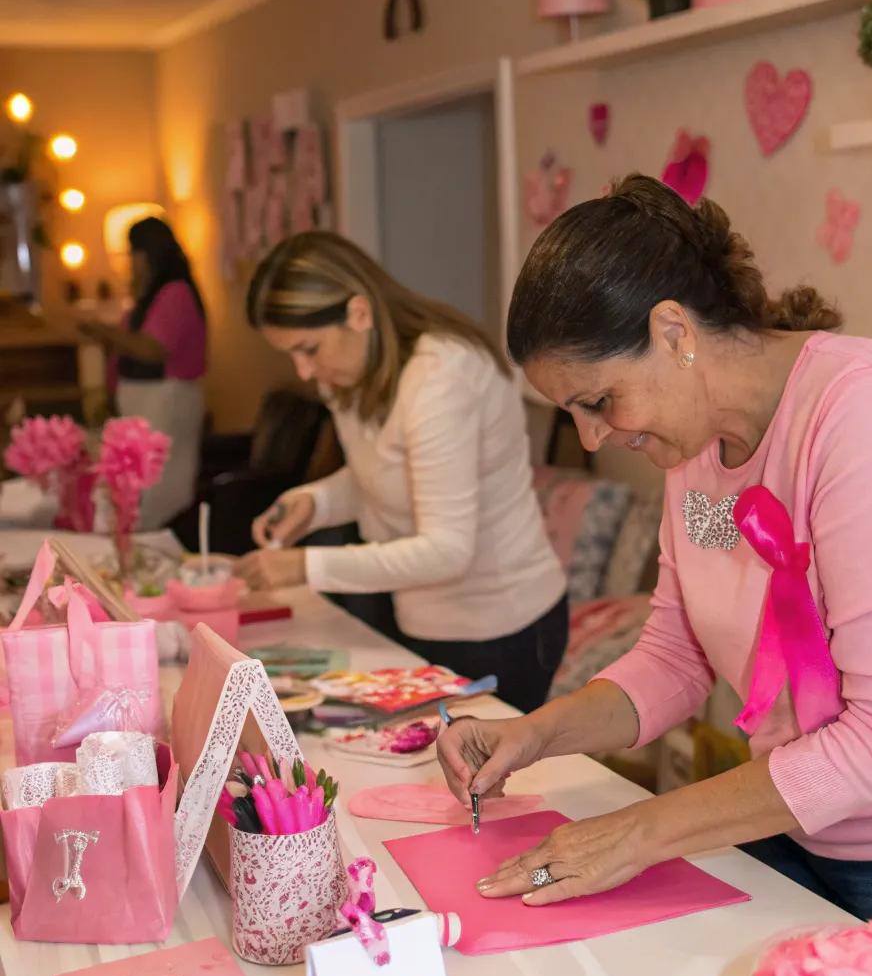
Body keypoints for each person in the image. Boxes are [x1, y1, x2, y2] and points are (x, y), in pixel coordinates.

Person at [437, 174, 872, 976]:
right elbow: (676, 657)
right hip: (803, 824)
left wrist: (642, 830)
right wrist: (536, 733)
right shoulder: (697, 447)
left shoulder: (865, 413)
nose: (592, 437)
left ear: (673, 330)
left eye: (598, 400)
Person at [237, 232, 568, 713]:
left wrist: (305, 566)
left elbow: (447, 551)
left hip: (500, 626)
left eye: (309, 349)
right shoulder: (351, 375)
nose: (304, 371)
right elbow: (383, 475)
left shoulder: (441, 377)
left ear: (359, 313)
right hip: (421, 617)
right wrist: (316, 503)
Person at [79, 216, 207, 529]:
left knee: (158, 487)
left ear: (147, 254)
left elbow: (153, 348)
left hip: (165, 399)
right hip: (142, 401)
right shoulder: (149, 296)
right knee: (133, 485)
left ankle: (156, 543)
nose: (130, 263)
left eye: (132, 254)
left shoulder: (175, 292)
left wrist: (103, 331)